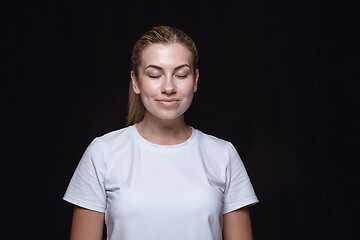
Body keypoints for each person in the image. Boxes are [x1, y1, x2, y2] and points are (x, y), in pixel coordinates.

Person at [64, 26, 258, 240]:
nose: (168, 87)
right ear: (136, 81)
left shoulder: (223, 154)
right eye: (155, 75)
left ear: (195, 80)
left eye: (181, 75)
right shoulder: (102, 152)